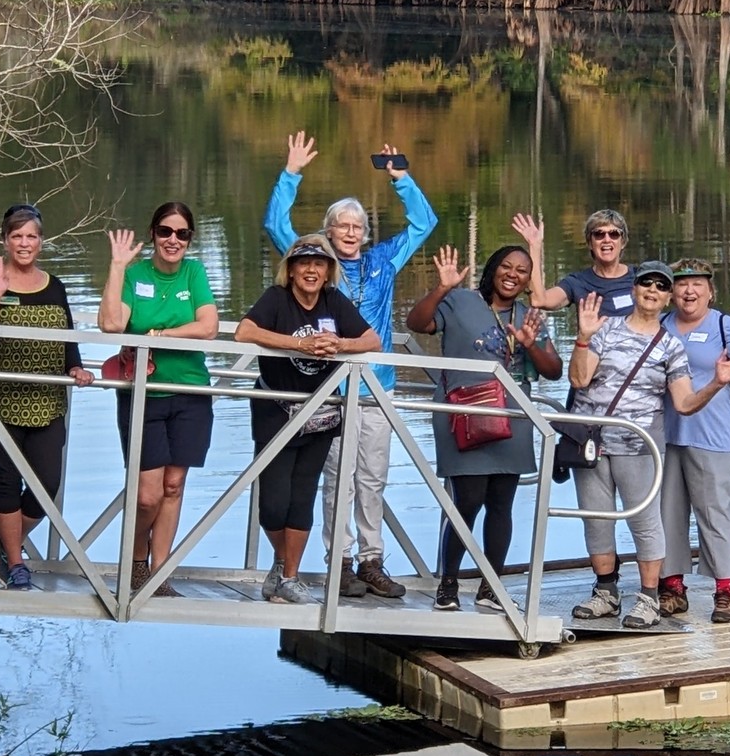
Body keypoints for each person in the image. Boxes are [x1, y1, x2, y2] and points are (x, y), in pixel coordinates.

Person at [264, 130, 436, 601]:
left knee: (373, 477)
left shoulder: (383, 261)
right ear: (328, 230)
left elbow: (424, 223)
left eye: (357, 226)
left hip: (376, 387)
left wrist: (400, 179)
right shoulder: (315, 261)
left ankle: (372, 561)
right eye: (342, 225)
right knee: (335, 477)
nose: (351, 232)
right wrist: (291, 173)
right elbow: (275, 222)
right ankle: (338, 563)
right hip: (331, 389)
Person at [566, 262, 730, 629]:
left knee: (647, 523)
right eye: (646, 283)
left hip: (640, 445)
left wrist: (716, 383)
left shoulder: (670, 346)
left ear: (666, 298)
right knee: (596, 520)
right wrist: (583, 338)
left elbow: (684, 403)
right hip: (592, 444)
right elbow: (579, 378)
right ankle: (605, 593)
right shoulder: (605, 328)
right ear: (634, 289)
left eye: (661, 287)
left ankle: (649, 596)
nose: (653, 290)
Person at [405, 244, 560, 612]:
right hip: (464, 415)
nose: (513, 274)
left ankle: (491, 586)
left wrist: (529, 345)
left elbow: (553, 369)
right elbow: (417, 323)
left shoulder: (529, 315)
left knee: (501, 503)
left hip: (512, 418)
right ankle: (448, 583)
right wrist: (441, 288)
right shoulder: (460, 301)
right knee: (467, 501)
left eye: (522, 271)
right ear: (492, 269)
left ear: (527, 281)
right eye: (506, 266)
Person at [235, 234, 380, 604]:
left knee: (302, 497)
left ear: (328, 270)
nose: (311, 270)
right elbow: (244, 332)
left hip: (322, 412)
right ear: (291, 269)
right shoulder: (276, 298)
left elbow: (371, 340)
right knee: (273, 500)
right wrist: (299, 343)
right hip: (276, 410)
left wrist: (339, 344)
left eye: (319, 263)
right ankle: (281, 563)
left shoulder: (334, 300)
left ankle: (290, 576)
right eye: (304, 263)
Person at [0, 203, 92, 589]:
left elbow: (67, 334)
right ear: (5, 241)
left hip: (47, 399)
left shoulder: (55, 286)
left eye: (31, 236)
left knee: (46, 483)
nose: (24, 243)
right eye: (17, 236)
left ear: (41, 241)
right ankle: (15, 562)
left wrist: (75, 366)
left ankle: (8, 541)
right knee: (6, 480)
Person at [100, 202, 220, 594]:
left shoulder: (194, 271)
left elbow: (208, 327)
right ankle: (135, 561)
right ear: (153, 233)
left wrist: (162, 337)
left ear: (190, 239)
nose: (173, 240)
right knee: (148, 494)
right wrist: (118, 266)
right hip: (143, 395)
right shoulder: (136, 274)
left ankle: (160, 570)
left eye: (182, 234)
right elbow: (112, 324)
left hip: (190, 390)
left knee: (174, 485)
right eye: (166, 232)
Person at [658, 259, 730, 624]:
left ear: (710, 290)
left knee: (716, 514)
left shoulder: (723, 324)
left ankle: (724, 591)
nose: (689, 291)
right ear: (671, 293)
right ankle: (672, 588)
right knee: (667, 514)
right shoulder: (661, 325)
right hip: (667, 434)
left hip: (712, 434)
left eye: (697, 284)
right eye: (682, 284)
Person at [513, 208, 636, 314]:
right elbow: (539, 300)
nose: (606, 240)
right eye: (599, 234)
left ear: (623, 242)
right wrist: (535, 246)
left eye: (614, 234)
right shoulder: (577, 283)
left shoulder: (641, 278)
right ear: (589, 243)